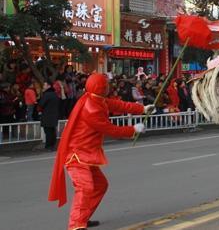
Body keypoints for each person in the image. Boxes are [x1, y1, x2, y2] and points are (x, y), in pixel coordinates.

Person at [48, 74, 153, 230]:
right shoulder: (91, 108)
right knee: (85, 188)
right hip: (77, 154)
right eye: (106, 84)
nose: (109, 86)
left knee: (100, 185)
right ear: (102, 88)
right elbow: (109, 129)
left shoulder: (96, 99)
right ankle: (76, 225)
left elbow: (119, 105)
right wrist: (133, 129)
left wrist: (142, 109)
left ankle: (83, 217)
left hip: (87, 153)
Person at [38, 80, 61, 151]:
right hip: (54, 115)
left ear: (48, 86)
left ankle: (48, 146)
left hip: (47, 115)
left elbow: (41, 104)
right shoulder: (55, 94)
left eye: (44, 85)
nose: (43, 87)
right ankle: (53, 145)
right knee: (52, 131)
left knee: (48, 132)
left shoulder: (46, 95)